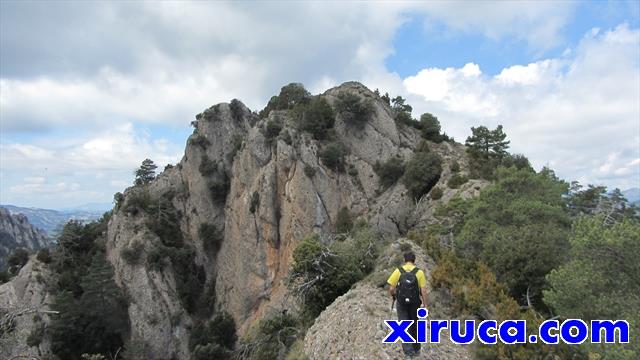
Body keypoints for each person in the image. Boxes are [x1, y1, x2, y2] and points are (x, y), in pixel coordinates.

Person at [387, 251, 428, 357]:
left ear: (404, 260)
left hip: (401, 303)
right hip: (415, 303)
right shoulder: (419, 272)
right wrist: (425, 305)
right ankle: (416, 349)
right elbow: (423, 291)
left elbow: (391, 288)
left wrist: (394, 295)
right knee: (415, 324)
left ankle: (408, 352)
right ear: (414, 261)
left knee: (403, 325)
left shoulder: (398, 271)